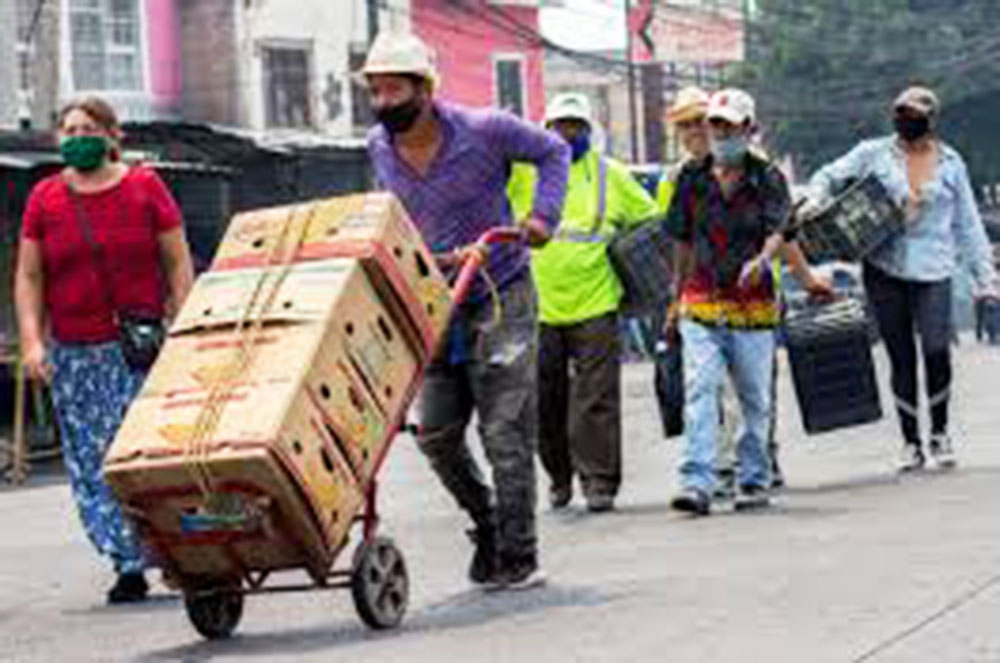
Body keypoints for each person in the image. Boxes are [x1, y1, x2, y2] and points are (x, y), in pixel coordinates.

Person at [362, 32, 568, 588]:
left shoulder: (484, 130)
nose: (384, 102)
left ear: (424, 89)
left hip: (500, 291)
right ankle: (486, 521)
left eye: (393, 90)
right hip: (437, 301)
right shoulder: (378, 148)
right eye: (375, 92)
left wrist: (542, 217)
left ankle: (519, 554)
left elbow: (554, 151)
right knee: (436, 433)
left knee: (505, 431)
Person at [14, 96, 194, 603]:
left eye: (89, 127)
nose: (78, 137)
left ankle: (177, 551)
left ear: (114, 136)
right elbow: (28, 276)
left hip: (138, 349)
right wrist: (32, 341)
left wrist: (182, 320)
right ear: (57, 139)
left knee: (147, 456)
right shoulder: (44, 198)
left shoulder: (145, 187)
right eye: (68, 129)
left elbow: (177, 261)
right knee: (93, 463)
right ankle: (128, 561)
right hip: (74, 355)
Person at [807, 86, 998, 471]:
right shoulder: (873, 153)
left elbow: (968, 224)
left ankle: (940, 431)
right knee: (901, 357)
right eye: (899, 112)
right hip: (884, 266)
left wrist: (986, 279)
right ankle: (911, 441)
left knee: (936, 350)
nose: (903, 119)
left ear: (929, 119)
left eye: (912, 113)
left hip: (936, 269)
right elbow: (828, 174)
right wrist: (816, 198)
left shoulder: (951, 163)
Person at [664, 89, 830, 516]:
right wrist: (675, 296)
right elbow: (681, 239)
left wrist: (763, 259)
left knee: (754, 396)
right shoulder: (691, 177)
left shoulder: (767, 177)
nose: (720, 133)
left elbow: (781, 228)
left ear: (748, 130)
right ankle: (696, 480)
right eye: (715, 124)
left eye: (730, 126)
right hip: (701, 299)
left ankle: (753, 475)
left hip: (753, 304)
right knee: (700, 388)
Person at [509, 93, 659, 513]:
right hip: (538, 306)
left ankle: (599, 481)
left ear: (588, 131)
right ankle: (559, 476)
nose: (566, 134)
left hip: (597, 301)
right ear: (545, 130)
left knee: (597, 398)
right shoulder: (523, 173)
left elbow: (649, 223)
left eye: (575, 127)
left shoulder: (610, 175)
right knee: (544, 398)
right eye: (559, 127)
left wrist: (635, 269)